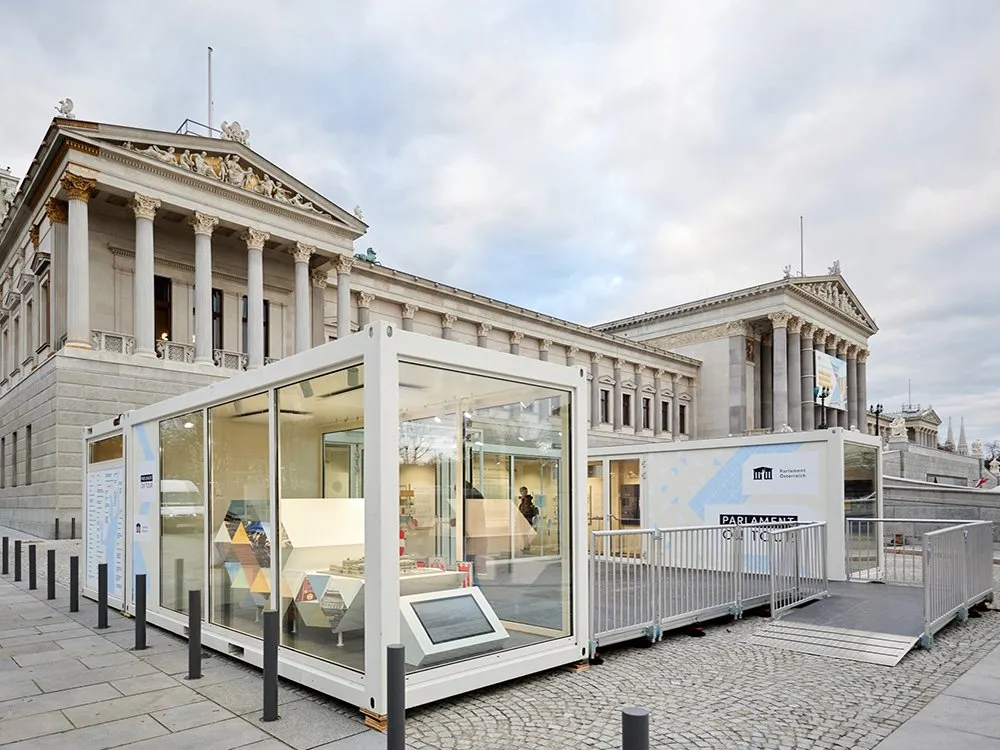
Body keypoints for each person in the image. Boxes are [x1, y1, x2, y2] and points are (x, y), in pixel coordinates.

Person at [517, 486, 538, 554]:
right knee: (525, 535)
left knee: (524, 534)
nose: (521, 493)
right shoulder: (526, 500)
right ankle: (526, 547)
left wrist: (521, 516)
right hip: (526, 519)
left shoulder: (526, 500)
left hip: (526, 519)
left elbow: (526, 511)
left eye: (522, 491)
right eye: (521, 491)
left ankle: (527, 547)